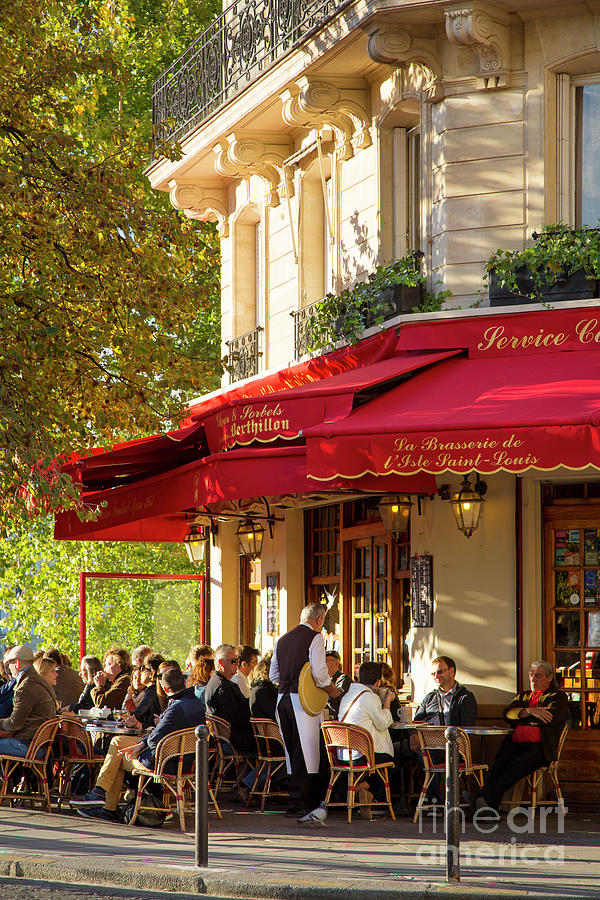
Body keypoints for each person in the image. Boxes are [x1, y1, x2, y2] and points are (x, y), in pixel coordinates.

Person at [70, 667, 206, 821]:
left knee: (118, 757)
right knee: (117, 742)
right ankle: (103, 799)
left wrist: (141, 745)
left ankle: (105, 801)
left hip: (164, 762)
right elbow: (161, 733)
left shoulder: (175, 708)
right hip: (184, 759)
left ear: (165, 688)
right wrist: (143, 742)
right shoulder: (196, 704)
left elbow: (155, 738)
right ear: (184, 682)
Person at [270, 602, 340, 822]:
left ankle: (296, 800)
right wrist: (330, 689)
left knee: (293, 752)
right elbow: (319, 672)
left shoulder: (282, 639)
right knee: (307, 751)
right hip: (302, 700)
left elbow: (273, 674)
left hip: (282, 699)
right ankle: (300, 802)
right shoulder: (316, 637)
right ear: (319, 620)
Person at [474, 659, 569, 814]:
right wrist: (529, 711)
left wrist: (522, 717)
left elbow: (551, 717)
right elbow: (507, 714)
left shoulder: (557, 697)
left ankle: (482, 799)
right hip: (515, 743)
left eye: (538, 675)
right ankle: (487, 808)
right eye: (531, 675)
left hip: (540, 748)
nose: (533, 679)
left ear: (549, 677)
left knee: (515, 765)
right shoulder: (523, 696)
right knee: (500, 763)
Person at [410, 656, 477, 808]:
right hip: (429, 744)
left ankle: (434, 801)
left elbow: (466, 728)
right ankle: (391, 801)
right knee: (395, 752)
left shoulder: (465, 697)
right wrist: (412, 734)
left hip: (453, 747)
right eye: (433, 674)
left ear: (452, 671)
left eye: (440, 672)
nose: (436, 677)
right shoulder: (430, 697)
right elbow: (417, 720)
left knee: (425, 753)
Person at [0, 644, 57, 757]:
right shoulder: (39, 680)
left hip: (27, 745)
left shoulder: (25, 687)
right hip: (40, 746)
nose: (8, 668)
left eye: (9, 663)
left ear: (17, 663)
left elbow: (14, 724)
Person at [205, 644, 255, 755]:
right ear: (221, 663)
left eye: (237, 660)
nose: (237, 664)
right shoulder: (221, 687)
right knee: (275, 748)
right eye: (233, 661)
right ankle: (261, 773)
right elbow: (235, 719)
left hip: (233, 736)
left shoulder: (222, 682)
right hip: (233, 740)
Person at [249, 652, 277, 721]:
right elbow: (276, 716)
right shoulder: (263, 691)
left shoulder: (258, 687)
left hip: (265, 730)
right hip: (271, 730)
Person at [325, 650, 351, 718]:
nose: (323, 664)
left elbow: (337, 696)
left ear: (336, 663)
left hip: (339, 719)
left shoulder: (343, 678)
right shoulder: (325, 680)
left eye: (326, 660)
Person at [0, 648, 17, 718]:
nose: (8, 663)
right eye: (6, 660)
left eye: (11, 660)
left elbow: (6, 710)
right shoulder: (5, 686)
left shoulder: (21, 684)